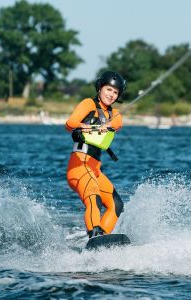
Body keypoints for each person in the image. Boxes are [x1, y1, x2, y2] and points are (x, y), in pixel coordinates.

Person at [65, 71, 126, 238]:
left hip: (95, 170)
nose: (111, 94)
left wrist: (107, 126)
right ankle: (94, 234)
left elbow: (118, 122)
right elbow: (70, 123)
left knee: (116, 204)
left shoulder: (114, 114)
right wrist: (86, 127)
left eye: (115, 92)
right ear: (100, 88)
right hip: (79, 167)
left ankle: (101, 239)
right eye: (108, 89)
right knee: (94, 197)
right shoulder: (88, 104)